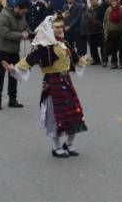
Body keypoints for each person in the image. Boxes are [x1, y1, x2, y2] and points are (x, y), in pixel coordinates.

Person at [5, 16, 88, 158]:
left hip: (66, 82)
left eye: (62, 26)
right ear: (50, 29)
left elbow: (75, 59)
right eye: (57, 27)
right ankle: (56, 147)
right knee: (55, 115)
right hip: (52, 82)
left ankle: (69, 144)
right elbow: (29, 60)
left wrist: (82, 60)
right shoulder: (44, 47)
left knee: (75, 112)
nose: (60, 29)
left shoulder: (64, 44)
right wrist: (14, 69)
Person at [0, 0, 29, 111]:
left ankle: (12, 99)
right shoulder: (4, 15)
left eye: (25, 13)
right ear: (17, 7)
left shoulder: (21, 16)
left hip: (14, 51)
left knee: (14, 75)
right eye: (23, 12)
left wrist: (28, 32)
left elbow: (26, 27)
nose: (24, 14)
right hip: (2, 50)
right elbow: (4, 33)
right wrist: (20, 35)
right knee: (0, 76)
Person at [103, 0, 122, 69]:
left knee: (121, 48)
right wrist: (106, 31)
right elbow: (105, 21)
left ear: (117, 2)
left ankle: (121, 62)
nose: (113, 3)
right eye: (112, 1)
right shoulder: (108, 9)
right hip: (111, 31)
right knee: (113, 48)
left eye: (115, 1)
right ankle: (114, 62)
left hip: (120, 31)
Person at [84, 0, 104, 67]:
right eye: (91, 0)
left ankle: (104, 60)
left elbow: (103, 19)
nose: (93, 2)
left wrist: (98, 24)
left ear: (97, 1)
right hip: (91, 32)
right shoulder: (88, 10)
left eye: (94, 0)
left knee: (102, 46)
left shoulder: (100, 9)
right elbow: (85, 19)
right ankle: (96, 60)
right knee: (93, 47)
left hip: (100, 31)